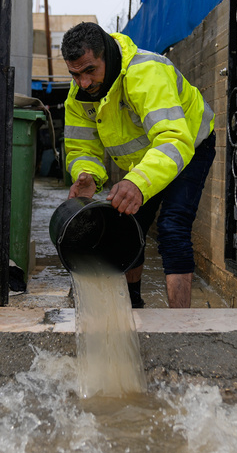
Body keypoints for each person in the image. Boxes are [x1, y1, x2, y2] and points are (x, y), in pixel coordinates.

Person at [62, 22, 215, 309]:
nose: (83, 83)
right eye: (75, 74)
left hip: (189, 146)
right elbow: (83, 147)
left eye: (90, 70)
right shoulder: (79, 95)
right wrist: (87, 174)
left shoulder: (146, 72)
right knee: (126, 225)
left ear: (105, 54)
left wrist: (138, 182)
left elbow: (173, 139)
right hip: (147, 159)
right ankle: (132, 307)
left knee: (172, 226)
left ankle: (180, 324)